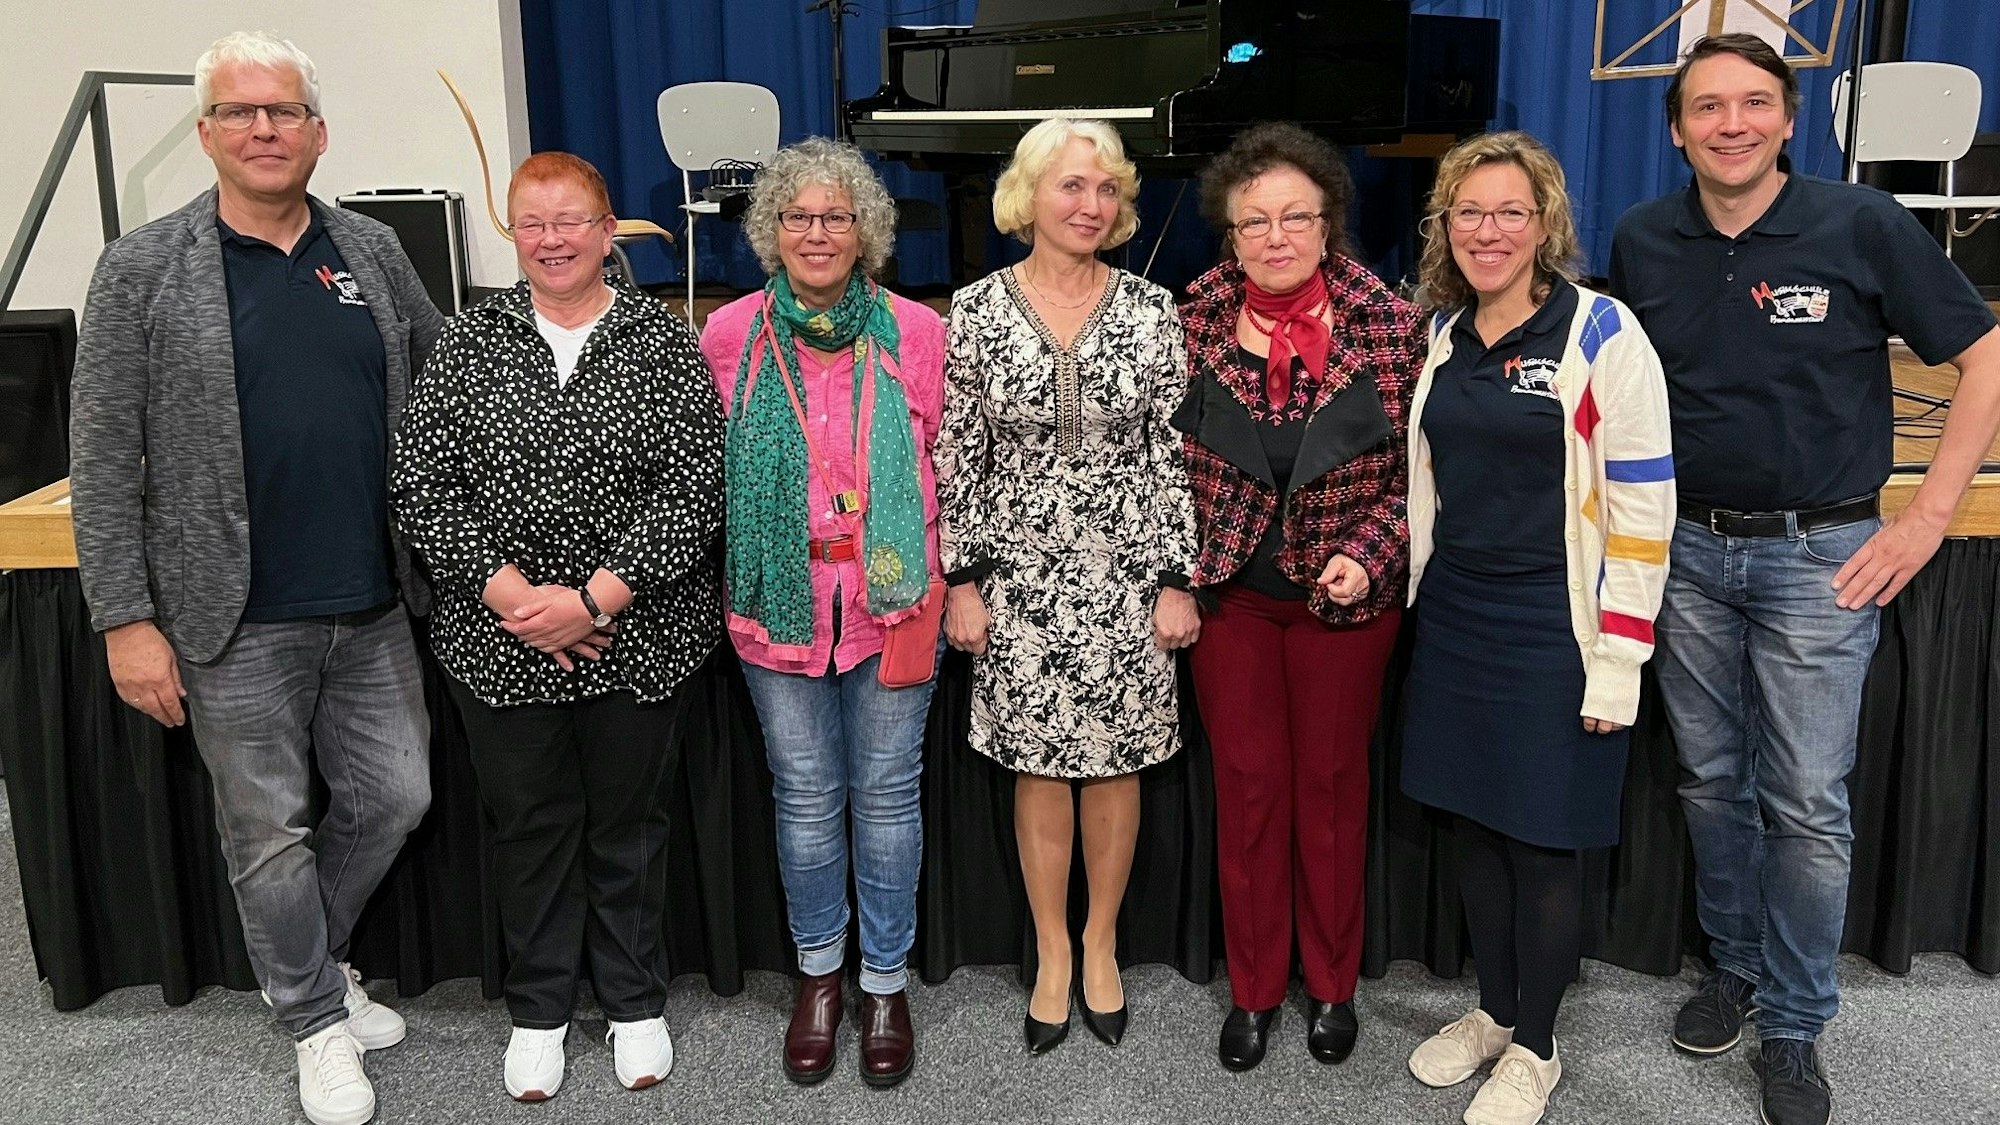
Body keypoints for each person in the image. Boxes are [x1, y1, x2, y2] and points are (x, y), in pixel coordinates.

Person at [1609, 34, 2000, 1125]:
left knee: (1804, 804)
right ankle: (1731, 967)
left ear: (1788, 119)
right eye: (1703, 108)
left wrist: (1925, 518)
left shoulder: (1859, 224)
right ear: (1675, 127)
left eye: (1750, 104)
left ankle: (1792, 1020)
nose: (1727, 124)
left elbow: (1985, 358)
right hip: (1682, 550)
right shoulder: (1642, 239)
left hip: (1817, 557)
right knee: (1706, 781)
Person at [66, 31, 440, 1125]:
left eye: (282, 111)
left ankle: (309, 966)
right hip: (228, 619)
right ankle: (315, 1020)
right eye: (240, 113)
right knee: (265, 831)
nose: (264, 129)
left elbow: (443, 373)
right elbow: (101, 457)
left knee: (397, 798)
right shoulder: (141, 268)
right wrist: (125, 620)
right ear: (207, 134)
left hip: (373, 601)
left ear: (318, 133)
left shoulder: (369, 249)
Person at [393, 151, 723, 1101]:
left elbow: (695, 484)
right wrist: (514, 600)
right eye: (531, 222)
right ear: (511, 231)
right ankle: (539, 1010)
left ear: (608, 227)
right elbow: (421, 485)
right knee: (531, 828)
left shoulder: (659, 341)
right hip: (497, 645)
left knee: (629, 826)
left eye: (572, 220)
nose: (552, 240)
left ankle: (633, 1000)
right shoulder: (468, 339)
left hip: (640, 638)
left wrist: (591, 599)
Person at [1402, 131, 1674, 1125]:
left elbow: (1644, 509)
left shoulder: (1599, 334)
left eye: (1508, 211)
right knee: (1475, 824)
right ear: (1445, 226)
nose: (1487, 230)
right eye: (1467, 212)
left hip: (1554, 628)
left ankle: (1539, 1047)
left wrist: (1616, 663)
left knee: (1540, 842)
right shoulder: (1442, 334)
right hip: (1457, 617)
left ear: (1544, 224)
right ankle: (1494, 1010)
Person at [935, 117, 1199, 1054]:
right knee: (1040, 767)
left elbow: (1172, 453)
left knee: (1116, 764)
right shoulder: (972, 310)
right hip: (1017, 574)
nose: (1091, 205)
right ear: (1029, 197)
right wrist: (962, 579)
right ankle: (1051, 948)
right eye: (1072, 187)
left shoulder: (1151, 309)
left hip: (1128, 570)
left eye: (1106, 190)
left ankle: (1100, 943)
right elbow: (958, 456)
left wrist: (1176, 576)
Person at [698, 136, 946, 1090]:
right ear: (771, 230)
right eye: (797, 216)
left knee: (886, 799)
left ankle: (885, 982)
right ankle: (819, 979)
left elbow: (948, 467)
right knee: (805, 799)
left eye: (836, 215)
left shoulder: (919, 334)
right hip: (779, 609)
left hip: (893, 605)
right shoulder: (729, 338)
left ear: (865, 231)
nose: (816, 231)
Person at [1174, 122, 1420, 1071]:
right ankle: (1252, 990)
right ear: (1230, 236)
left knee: (1328, 789)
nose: (1275, 237)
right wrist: (1177, 573)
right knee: (1246, 791)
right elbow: (1158, 463)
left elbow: (1416, 473)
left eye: (1295, 218)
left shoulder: (1388, 323)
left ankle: (1331, 983)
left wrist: (1371, 550)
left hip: (1344, 599)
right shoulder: (1188, 319)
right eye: (1254, 222)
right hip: (1231, 594)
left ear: (1329, 225)